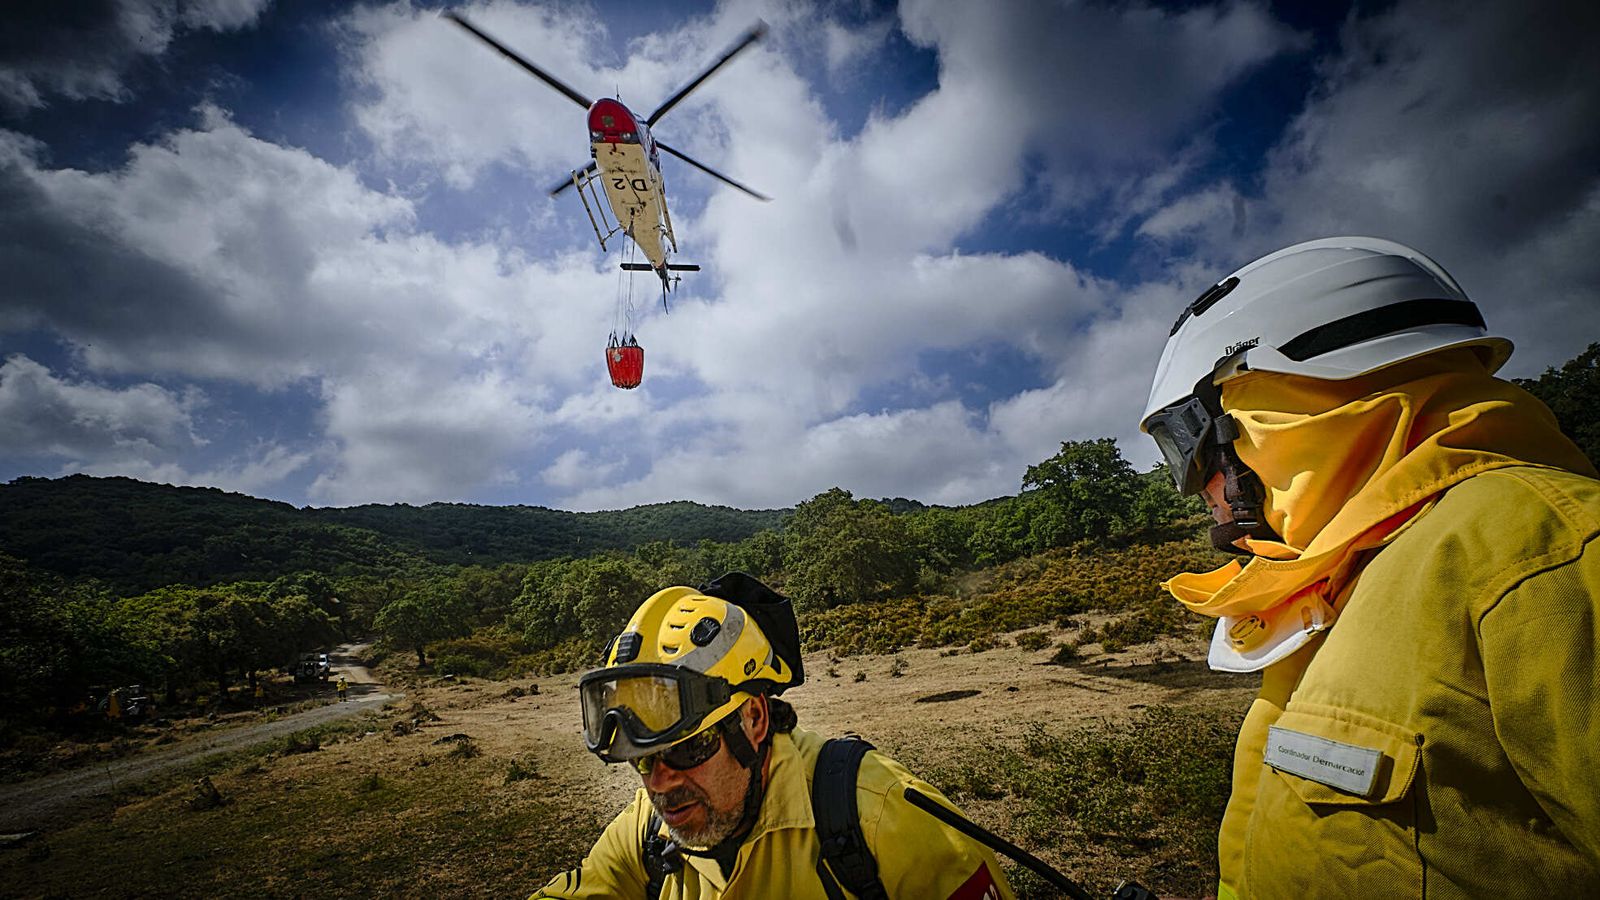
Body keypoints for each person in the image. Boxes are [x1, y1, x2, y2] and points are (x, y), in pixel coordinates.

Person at [1139, 236, 1600, 897]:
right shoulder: (1343, 582)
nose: (1195, 485)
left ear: (1270, 408)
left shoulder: (1547, 548)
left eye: (1189, 446)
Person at [531, 572, 1015, 900]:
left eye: (685, 747)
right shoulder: (649, 829)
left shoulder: (882, 816)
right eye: (643, 757)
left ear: (755, 720)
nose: (659, 783)